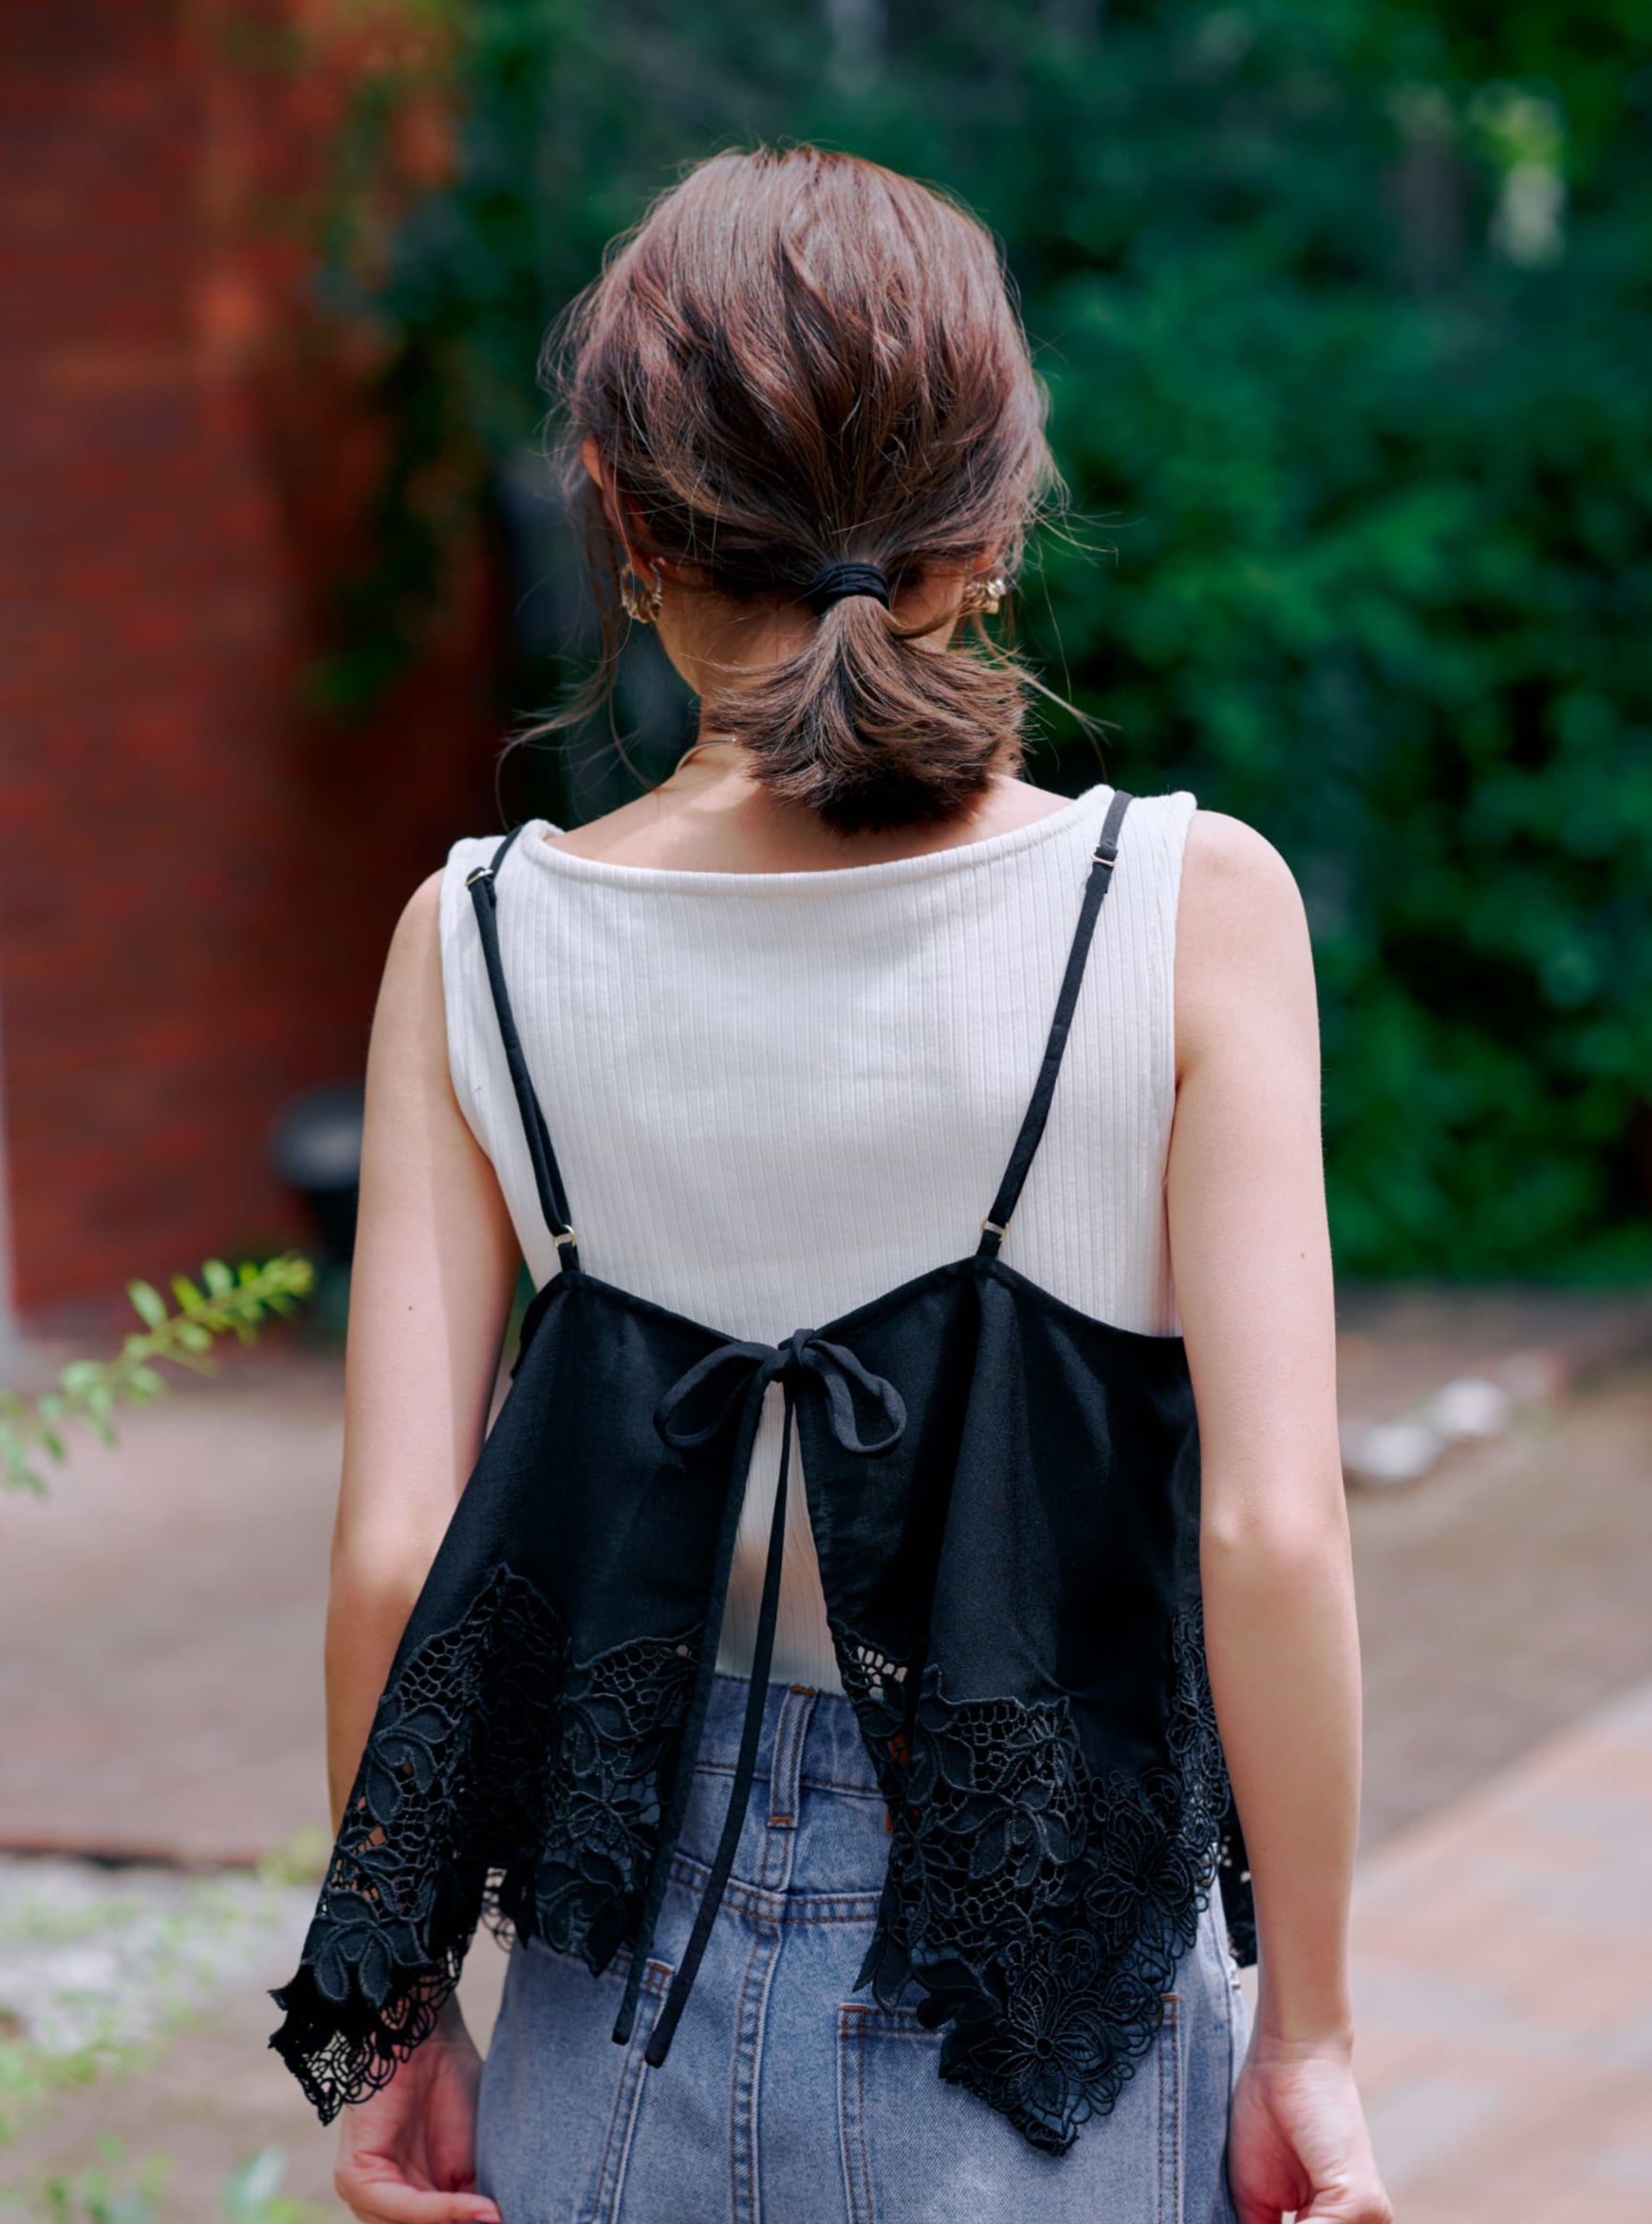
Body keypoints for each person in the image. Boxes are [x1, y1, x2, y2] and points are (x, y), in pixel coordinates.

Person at [276, 147, 1391, 2224]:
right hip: (1041, 1986)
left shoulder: (479, 936)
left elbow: (398, 1554)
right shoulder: (1182, 905)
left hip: (613, 1975)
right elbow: (1267, 1525)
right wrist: (1309, 2035)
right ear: (995, 526)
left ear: (621, 522)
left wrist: (402, 2009)